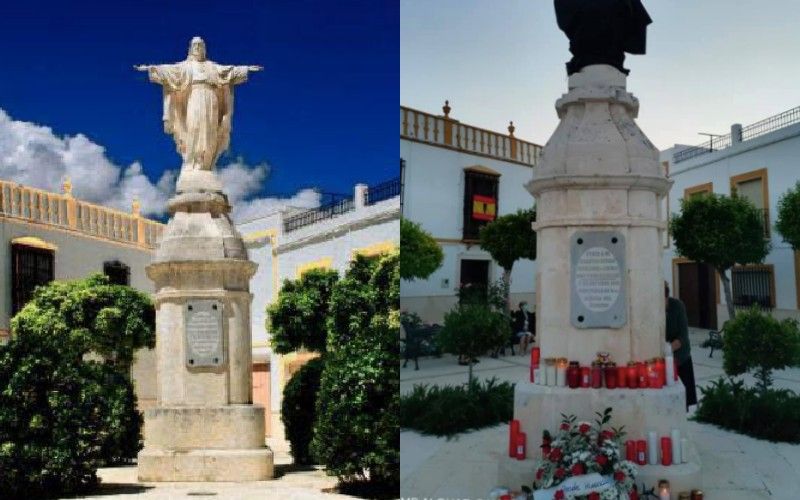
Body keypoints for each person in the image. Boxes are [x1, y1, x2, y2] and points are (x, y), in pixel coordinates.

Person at [665, 282, 698, 410]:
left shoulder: (678, 306)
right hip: (664, 361)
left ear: (666, 296)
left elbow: (683, 337)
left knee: (681, 401)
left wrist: (667, 349)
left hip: (680, 357)